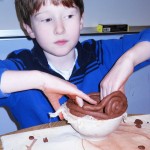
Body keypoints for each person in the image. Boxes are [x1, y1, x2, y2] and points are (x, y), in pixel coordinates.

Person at [0, 0, 150, 130]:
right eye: (46, 19)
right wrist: (40, 81)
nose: (60, 29)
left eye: (69, 16)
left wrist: (129, 59)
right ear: (29, 28)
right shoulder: (20, 68)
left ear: (81, 21)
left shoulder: (102, 54)